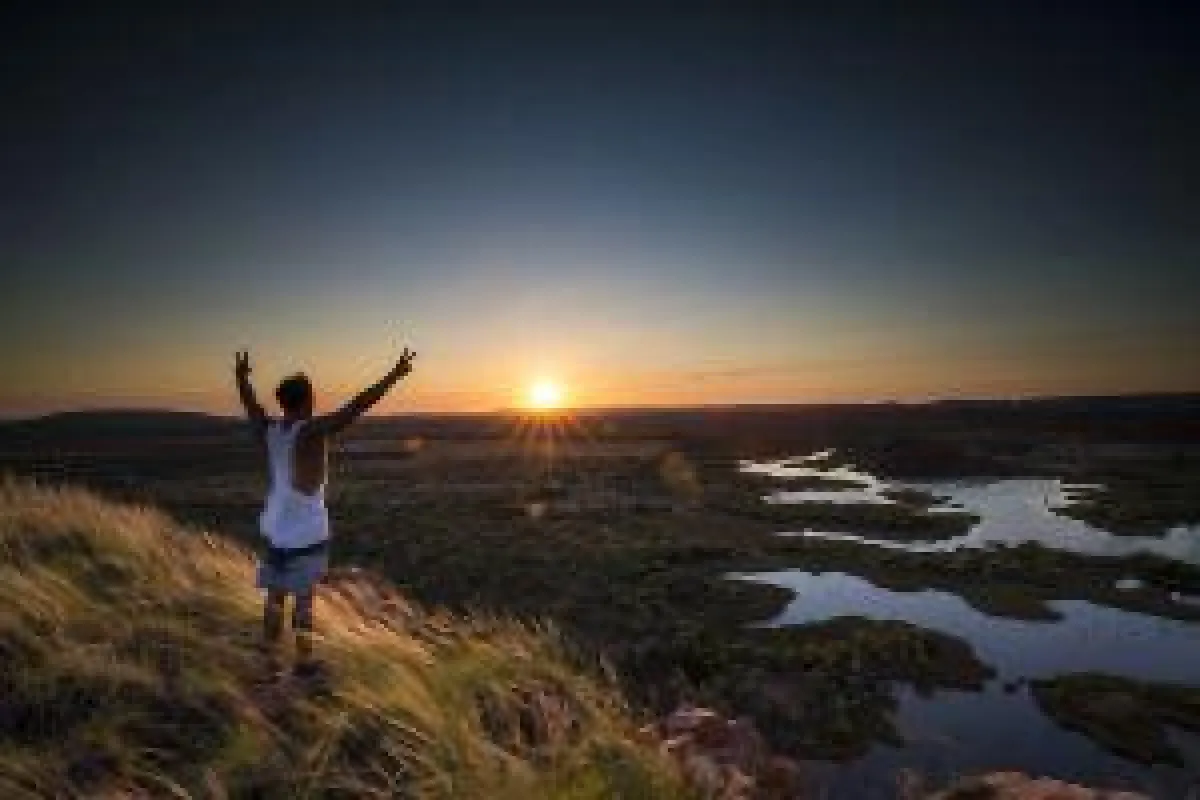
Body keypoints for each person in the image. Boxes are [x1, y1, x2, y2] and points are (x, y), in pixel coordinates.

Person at [234, 346, 416, 676]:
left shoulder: (271, 431)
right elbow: (357, 406)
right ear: (305, 400)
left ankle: (268, 659)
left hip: (276, 529)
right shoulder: (312, 431)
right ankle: (303, 664)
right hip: (306, 532)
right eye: (312, 396)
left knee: (275, 598)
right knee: (303, 601)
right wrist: (394, 375)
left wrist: (241, 378)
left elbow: (251, 407)